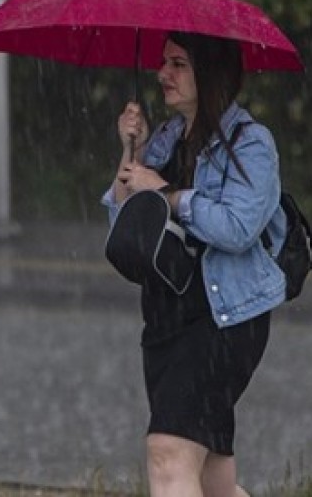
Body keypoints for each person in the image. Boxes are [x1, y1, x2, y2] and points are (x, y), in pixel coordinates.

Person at [103, 31, 287, 497]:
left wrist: (168, 193)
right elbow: (124, 221)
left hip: (224, 318)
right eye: (164, 62)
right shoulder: (165, 139)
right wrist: (133, 151)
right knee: (213, 480)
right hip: (167, 317)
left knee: (168, 454)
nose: (163, 73)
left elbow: (237, 228)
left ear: (211, 73)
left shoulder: (251, 144)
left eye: (179, 63)